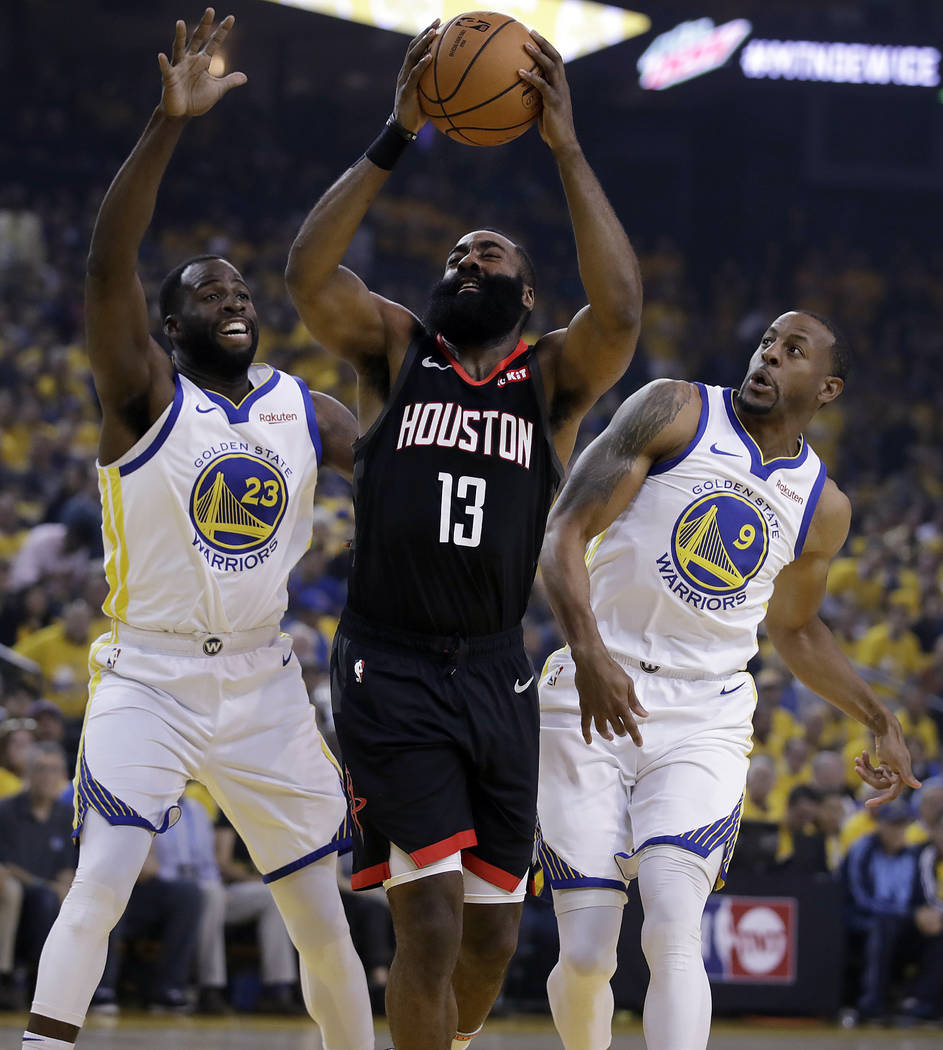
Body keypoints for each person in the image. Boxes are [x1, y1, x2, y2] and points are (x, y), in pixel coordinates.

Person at [285, 20, 642, 1050]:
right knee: (429, 926)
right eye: (454, 253)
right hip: (389, 668)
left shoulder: (551, 380)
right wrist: (396, 132)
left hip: (495, 673)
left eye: (486, 254)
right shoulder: (397, 348)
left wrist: (566, 150)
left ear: (526, 297)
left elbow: (617, 310)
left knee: (491, 940)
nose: (465, 258)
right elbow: (311, 274)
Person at [22, 11, 372, 1050]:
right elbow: (104, 265)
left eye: (240, 288)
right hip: (150, 675)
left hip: (264, 680)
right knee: (100, 886)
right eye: (204, 291)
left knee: (321, 918)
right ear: (170, 326)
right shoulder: (141, 393)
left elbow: (401, 472)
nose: (231, 297)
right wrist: (168, 125)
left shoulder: (305, 410)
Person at [535, 311, 919, 1050]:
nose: (769, 356)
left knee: (674, 928)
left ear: (826, 387)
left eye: (792, 351)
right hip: (591, 688)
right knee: (586, 957)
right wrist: (588, 655)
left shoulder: (821, 504)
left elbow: (797, 629)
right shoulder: (674, 409)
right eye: (767, 343)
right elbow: (565, 532)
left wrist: (878, 717)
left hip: (703, 716)